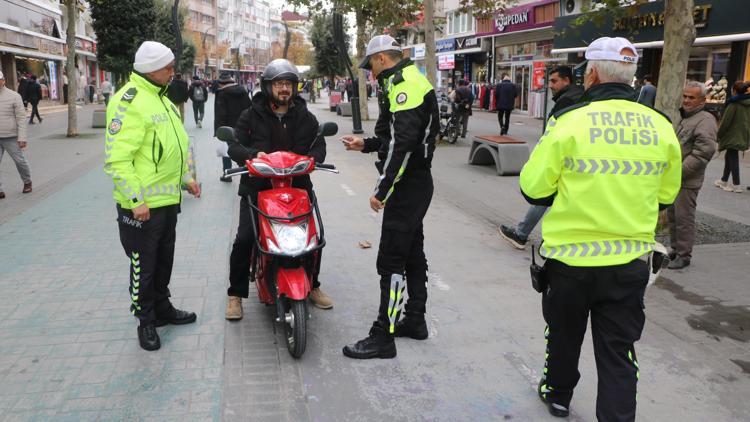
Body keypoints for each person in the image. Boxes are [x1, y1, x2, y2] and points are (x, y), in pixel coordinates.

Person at [519, 37, 682, 420]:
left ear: (591, 73)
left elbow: (533, 188)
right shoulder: (660, 125)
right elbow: (666, 196)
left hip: (569, 262)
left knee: (563, 335)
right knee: (619, 352)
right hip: (628, 262)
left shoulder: (569, 120)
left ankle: (557, 396)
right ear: (631, 76)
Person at [341, 34, 439, 359]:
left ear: (382, 59)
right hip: (413, 184)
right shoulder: (400, 81)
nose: (370, 72)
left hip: (408, 186)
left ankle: (384, 334)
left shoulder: (404, 84)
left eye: (371, 65)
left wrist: (382, 190)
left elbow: (405, 144)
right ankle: (415, 319)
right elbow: (390, 135)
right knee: (412, 254)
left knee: (391, 261)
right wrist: (365, 144)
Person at [103, 41, 202, 351]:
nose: (173, 72)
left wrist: (186, 179)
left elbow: (174, 147)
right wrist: (135, 201)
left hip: (168, 201)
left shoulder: (162, 99)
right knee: (143, 267)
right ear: (150, 69)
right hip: (142, 207)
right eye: (168, 68)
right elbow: (117, 159)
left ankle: (163, 309)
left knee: (163, 261)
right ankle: (145, 321)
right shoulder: (128, 101)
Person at [225, 58, 332, 320]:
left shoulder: (305, 117)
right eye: (279, 84)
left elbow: (318, 145)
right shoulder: (250, 115)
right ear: (268, 87)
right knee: (244, 239)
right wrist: (253, 155)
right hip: (257, 188)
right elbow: (234, 146)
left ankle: (313, 285)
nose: (284, 89)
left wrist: (313, 160)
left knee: (313, 239)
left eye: (289, 84)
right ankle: (235, 295)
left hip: (297, 188)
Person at [500, 66, 584, 249]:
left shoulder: (567, 100)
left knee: (545, 195)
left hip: (563, 157)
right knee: (556, 197)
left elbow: (556, 133)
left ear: (567, 80)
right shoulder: (581, 96)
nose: (550, 85)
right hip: (575, 158)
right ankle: (529, 234)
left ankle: (523, 234)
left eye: (554, 81)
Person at [666, 81, 717, 270]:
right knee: (673, 216)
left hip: (687, 179)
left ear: (702, 100)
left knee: (684, 218)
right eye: (685, 96)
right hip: (675, 177)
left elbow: (703, 153)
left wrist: (678, 172)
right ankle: (675, 248)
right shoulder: (686, 117)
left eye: (691, 97)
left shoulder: (705, 120)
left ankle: (684, 255)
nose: (686, 100)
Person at [0, 70, 32, 199]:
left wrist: (22, 137)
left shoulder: (14, 96)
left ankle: (27, 182)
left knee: (20, 161)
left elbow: (21, 118)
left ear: (3, 80)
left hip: (11, 136)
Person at [214, 72, 250, 182]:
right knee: (243, 150)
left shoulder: (222, 93)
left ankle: (227, 174)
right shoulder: (243, 91)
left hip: (228, 127)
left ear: (221, 83)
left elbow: (221, 114)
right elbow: (250, 107)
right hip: (243, 126)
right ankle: (247, 172)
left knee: (227, 151)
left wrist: (218, 131)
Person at [714, 81, 750, 193]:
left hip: (732, 134)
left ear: (734, 91)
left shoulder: (733, 104)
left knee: (733, 158)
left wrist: (718, 134)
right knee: (729, 156)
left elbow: (726, 122)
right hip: (743, 133)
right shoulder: (748, 103)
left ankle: (736, 184)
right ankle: (724, 180)